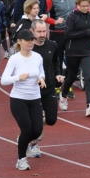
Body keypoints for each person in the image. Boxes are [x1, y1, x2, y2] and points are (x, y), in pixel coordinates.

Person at [1, 29, 45, 171]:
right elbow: (4, 80)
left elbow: (41, 71)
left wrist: (41, 78)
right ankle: (21, 159)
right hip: (18, 99)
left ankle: (22, 139)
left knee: (37, 131)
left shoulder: (38, 57)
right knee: (27, 128)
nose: (30, 42)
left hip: (35, 97)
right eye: (27, 40)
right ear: (19, 42)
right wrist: (17, 77)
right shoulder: (14, 59)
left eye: (32, 40)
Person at [58, 0, 90, 116]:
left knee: (88, 77)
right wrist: (85, 32)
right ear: (77, 5)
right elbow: (68, 34)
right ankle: (64, 95)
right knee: (71, 77)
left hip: (87, 51)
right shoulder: (72, 17)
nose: (85, 8)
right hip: (73, 52)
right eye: (83, 6)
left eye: (87, 6)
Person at [28, 20, 61, 158]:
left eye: (44, 31)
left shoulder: (52, 45)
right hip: (33, 90)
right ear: (32, 32)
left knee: (52, 119)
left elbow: (56, 61)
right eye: (39, 32)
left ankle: (38, 127)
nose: (42, 34)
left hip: (49, 87)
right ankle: (33, 144)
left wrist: (58, 73)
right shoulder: (28, 48)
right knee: (35, 122)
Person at [47, 0, 76, 70]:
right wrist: (54, 22)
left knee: (72, 57)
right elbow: (42, 15)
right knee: (57, 58)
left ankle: (69, 79)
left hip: (72, 33)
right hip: (57, 33)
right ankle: (57, 81)